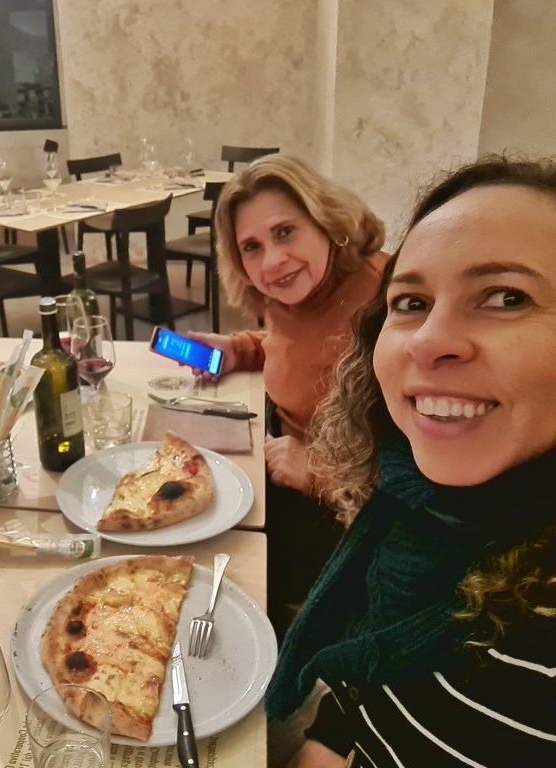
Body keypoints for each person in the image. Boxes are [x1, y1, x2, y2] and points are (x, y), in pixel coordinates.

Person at [267, 156, 556, 767]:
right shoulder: (415, 504)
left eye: (507, 297)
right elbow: (362, 687)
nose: (427, 341)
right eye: (412, 301)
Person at [188, 154, 389, 637]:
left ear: (326, 222)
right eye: (251, 247)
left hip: (344, 503)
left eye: (285, 232)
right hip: (278, 444)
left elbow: (422, 460)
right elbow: (297, 348)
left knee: (224, 566)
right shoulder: (295, 291)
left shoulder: (386, 300)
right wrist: (239, 349)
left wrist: (318, 470)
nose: (272, 261)